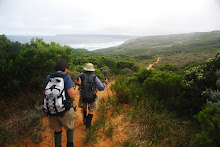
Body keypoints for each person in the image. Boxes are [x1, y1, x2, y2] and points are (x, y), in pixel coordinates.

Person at [43, 59, 81, 147]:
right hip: (65, 109)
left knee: (57, 130)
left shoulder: (49, 77)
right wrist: (77, 86)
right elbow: (72, 95)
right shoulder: (66, 77)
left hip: (52, 109)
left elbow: (45, 93)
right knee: (70, 127)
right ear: (64, 68)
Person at [78, 63, 108, 129]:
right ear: (92, 70)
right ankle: (88, 125)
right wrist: (105, 83)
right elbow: (101, 87)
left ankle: (85, 119)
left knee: (84, 107)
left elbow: (77, 86)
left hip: (83, 96)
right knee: (91, 110)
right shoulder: (94, 77)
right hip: (92, 97)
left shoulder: (81, 76)